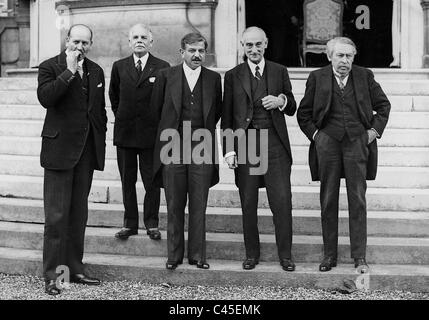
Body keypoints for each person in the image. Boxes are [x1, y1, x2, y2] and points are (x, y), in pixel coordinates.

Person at [297, 37, 391, 273]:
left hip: (357, 143)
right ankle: (329, 256)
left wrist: (372, 132)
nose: (345, 61)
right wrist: (317, 136)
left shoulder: (364, 76)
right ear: (329, 57)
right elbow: (303, 114)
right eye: (340, 56)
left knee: (357, 200)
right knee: (328, 199)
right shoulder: (317, 78)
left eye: (349, 56)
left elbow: (383, 106)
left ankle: (359, 256)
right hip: (328, 143)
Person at [37, 24, 107, 295]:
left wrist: (99, 146)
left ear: (91, 44)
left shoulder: (97, 71)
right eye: (76, 41)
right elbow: (46, 98)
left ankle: (74, 270)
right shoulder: (50, 66)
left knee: (78, 216)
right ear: (67, 40)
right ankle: (54, 276)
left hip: (85, 153)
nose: (80, 47)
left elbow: (98, 111)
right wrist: (68, 71)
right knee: (56, 217)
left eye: (85, 43)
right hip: (59, 152)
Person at [221, 27, 297, 272]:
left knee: (282, 201)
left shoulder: (279, 71)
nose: (253, 50)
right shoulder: (233, 75)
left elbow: (293, 105)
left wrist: (281, 101)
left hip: (274, 143)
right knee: (249, 201)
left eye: (258, 45)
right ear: (242, 46)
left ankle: (285, 255)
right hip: (246, 144)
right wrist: (229, 150)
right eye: (248, 45)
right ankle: (251, 254)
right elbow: (227, 115)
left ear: (266, 44)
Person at [151, 33, 222, 270]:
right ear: (182, 53)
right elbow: (156, 111)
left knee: (199, 203)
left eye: (201, 51)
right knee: (174, 202)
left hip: (202, 145)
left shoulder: (213, 79)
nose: (197, 55)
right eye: (192, 50)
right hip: (173, 145)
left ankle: (197, 255)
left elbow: (217, 111)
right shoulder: (166, 76)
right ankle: (174, 255)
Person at [109, 24, 170, 241]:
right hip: (125, 133)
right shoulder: (119, 66)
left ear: (151, 42)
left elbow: (165, 101)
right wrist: (123, 116)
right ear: (129, 41)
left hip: (151, 136)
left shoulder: (162, 67)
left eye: (144, 37)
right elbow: (114, 96)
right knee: (127, 181)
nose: (139, 40)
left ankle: (152, 223)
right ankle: (130, 223)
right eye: (135, 37)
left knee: (151, 181)